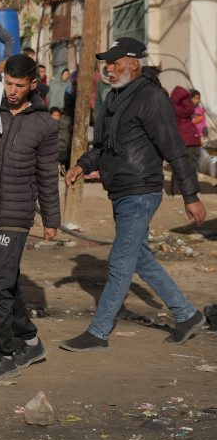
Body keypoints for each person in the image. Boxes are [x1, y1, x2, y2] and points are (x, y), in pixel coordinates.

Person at [61, 38, 208, 351]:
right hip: (121, 189)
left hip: (141, 191)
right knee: (138, 256)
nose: (109, 69)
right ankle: (187, 315)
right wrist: (81, 166)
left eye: (115, 63)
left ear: (134, 63)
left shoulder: (151, 98)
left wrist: (191, 195)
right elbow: (101, 147)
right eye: (107, 64)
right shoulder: (115, 99)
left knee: (120, 260)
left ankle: (98, 332)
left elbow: (175, 149)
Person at [0, 54, 59, 380]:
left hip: (17, 215)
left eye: (18, 85)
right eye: (7, 83)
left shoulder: (44, 125)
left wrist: (51, 219)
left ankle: (4, 354)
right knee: (6, 285)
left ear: (32, 85)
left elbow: (47, 175)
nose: (11, 90)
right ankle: (31, 341)